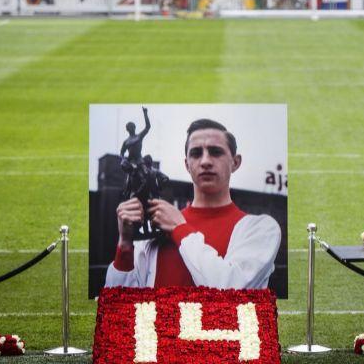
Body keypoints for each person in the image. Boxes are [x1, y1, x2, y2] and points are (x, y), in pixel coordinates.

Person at [105, 119, 281, 290]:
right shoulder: (156, 229)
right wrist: (125, 246)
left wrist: (180, 228)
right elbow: (120, 307)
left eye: (215, 152)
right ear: (187, 165)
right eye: (196, 153)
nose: (205, 161)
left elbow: (231, 290)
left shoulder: (261, 229)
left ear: (235, 162)